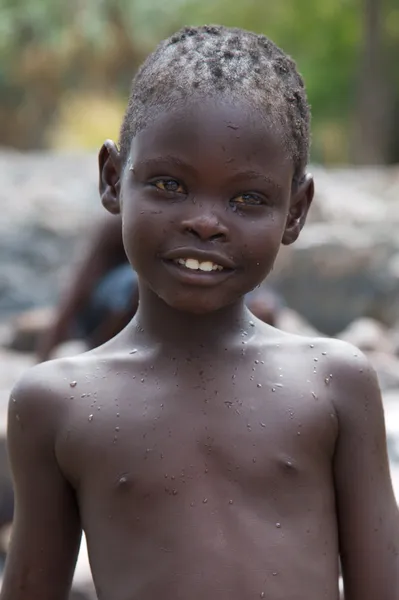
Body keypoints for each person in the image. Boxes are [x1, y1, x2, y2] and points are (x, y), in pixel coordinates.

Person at [2, 25, 398, 600]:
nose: (206, 222)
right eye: (169, 184)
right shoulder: (56, 404)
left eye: (248, 199)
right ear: (113, 180)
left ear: (296, 210)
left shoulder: (334, 383)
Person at [36, 215, 282, 362]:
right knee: (140, 286)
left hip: (207, 330)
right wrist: (45, 360)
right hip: (112, 324)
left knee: (263, 307)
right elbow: (77, 293)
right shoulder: (122, 225)